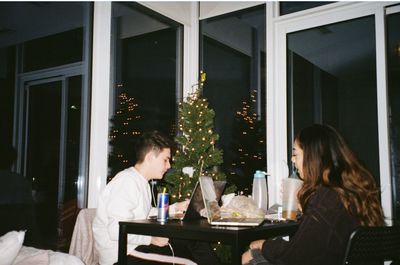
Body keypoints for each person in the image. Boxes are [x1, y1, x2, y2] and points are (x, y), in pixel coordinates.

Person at [242, 124, 385, 265]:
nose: (292, 159)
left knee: (248, 256)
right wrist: (304, 204)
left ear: (312, 156)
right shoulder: (350, 190)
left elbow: (298, 255)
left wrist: (265, 245)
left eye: (295, 153)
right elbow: (322, 240)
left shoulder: (327, 196)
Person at [93, 131, 220, 265]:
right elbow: (116, 230)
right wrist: (151, 239)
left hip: (134, 247)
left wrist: (174, 208)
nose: (169, 166)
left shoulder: (140, 181)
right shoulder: (126, 182)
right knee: (189, 261)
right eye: (165, 160)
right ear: (149, 158)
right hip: (121, 255)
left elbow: (143, 213)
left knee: (194, 239)